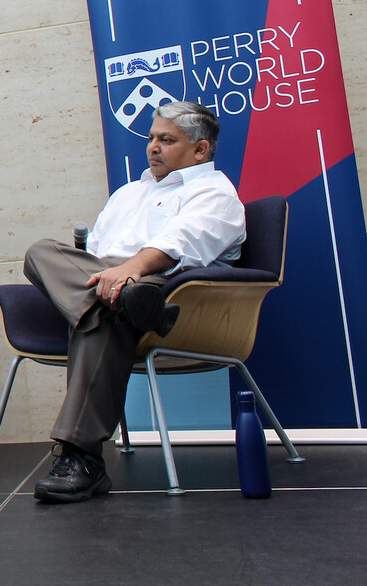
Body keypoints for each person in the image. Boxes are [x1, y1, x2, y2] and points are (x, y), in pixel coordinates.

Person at [25, 101, 246, 503]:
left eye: (167, 139)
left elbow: (181, 243)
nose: (153, 147)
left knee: (106, 313)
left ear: (201, 150)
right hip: (109, 282)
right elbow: (91, 253)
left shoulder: (216, 192)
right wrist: (108, 281)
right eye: (150, 138)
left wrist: (130, 271)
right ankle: (125, 301)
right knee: (41, 252)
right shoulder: (129, 192)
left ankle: (82, 458)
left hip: (168, 286)